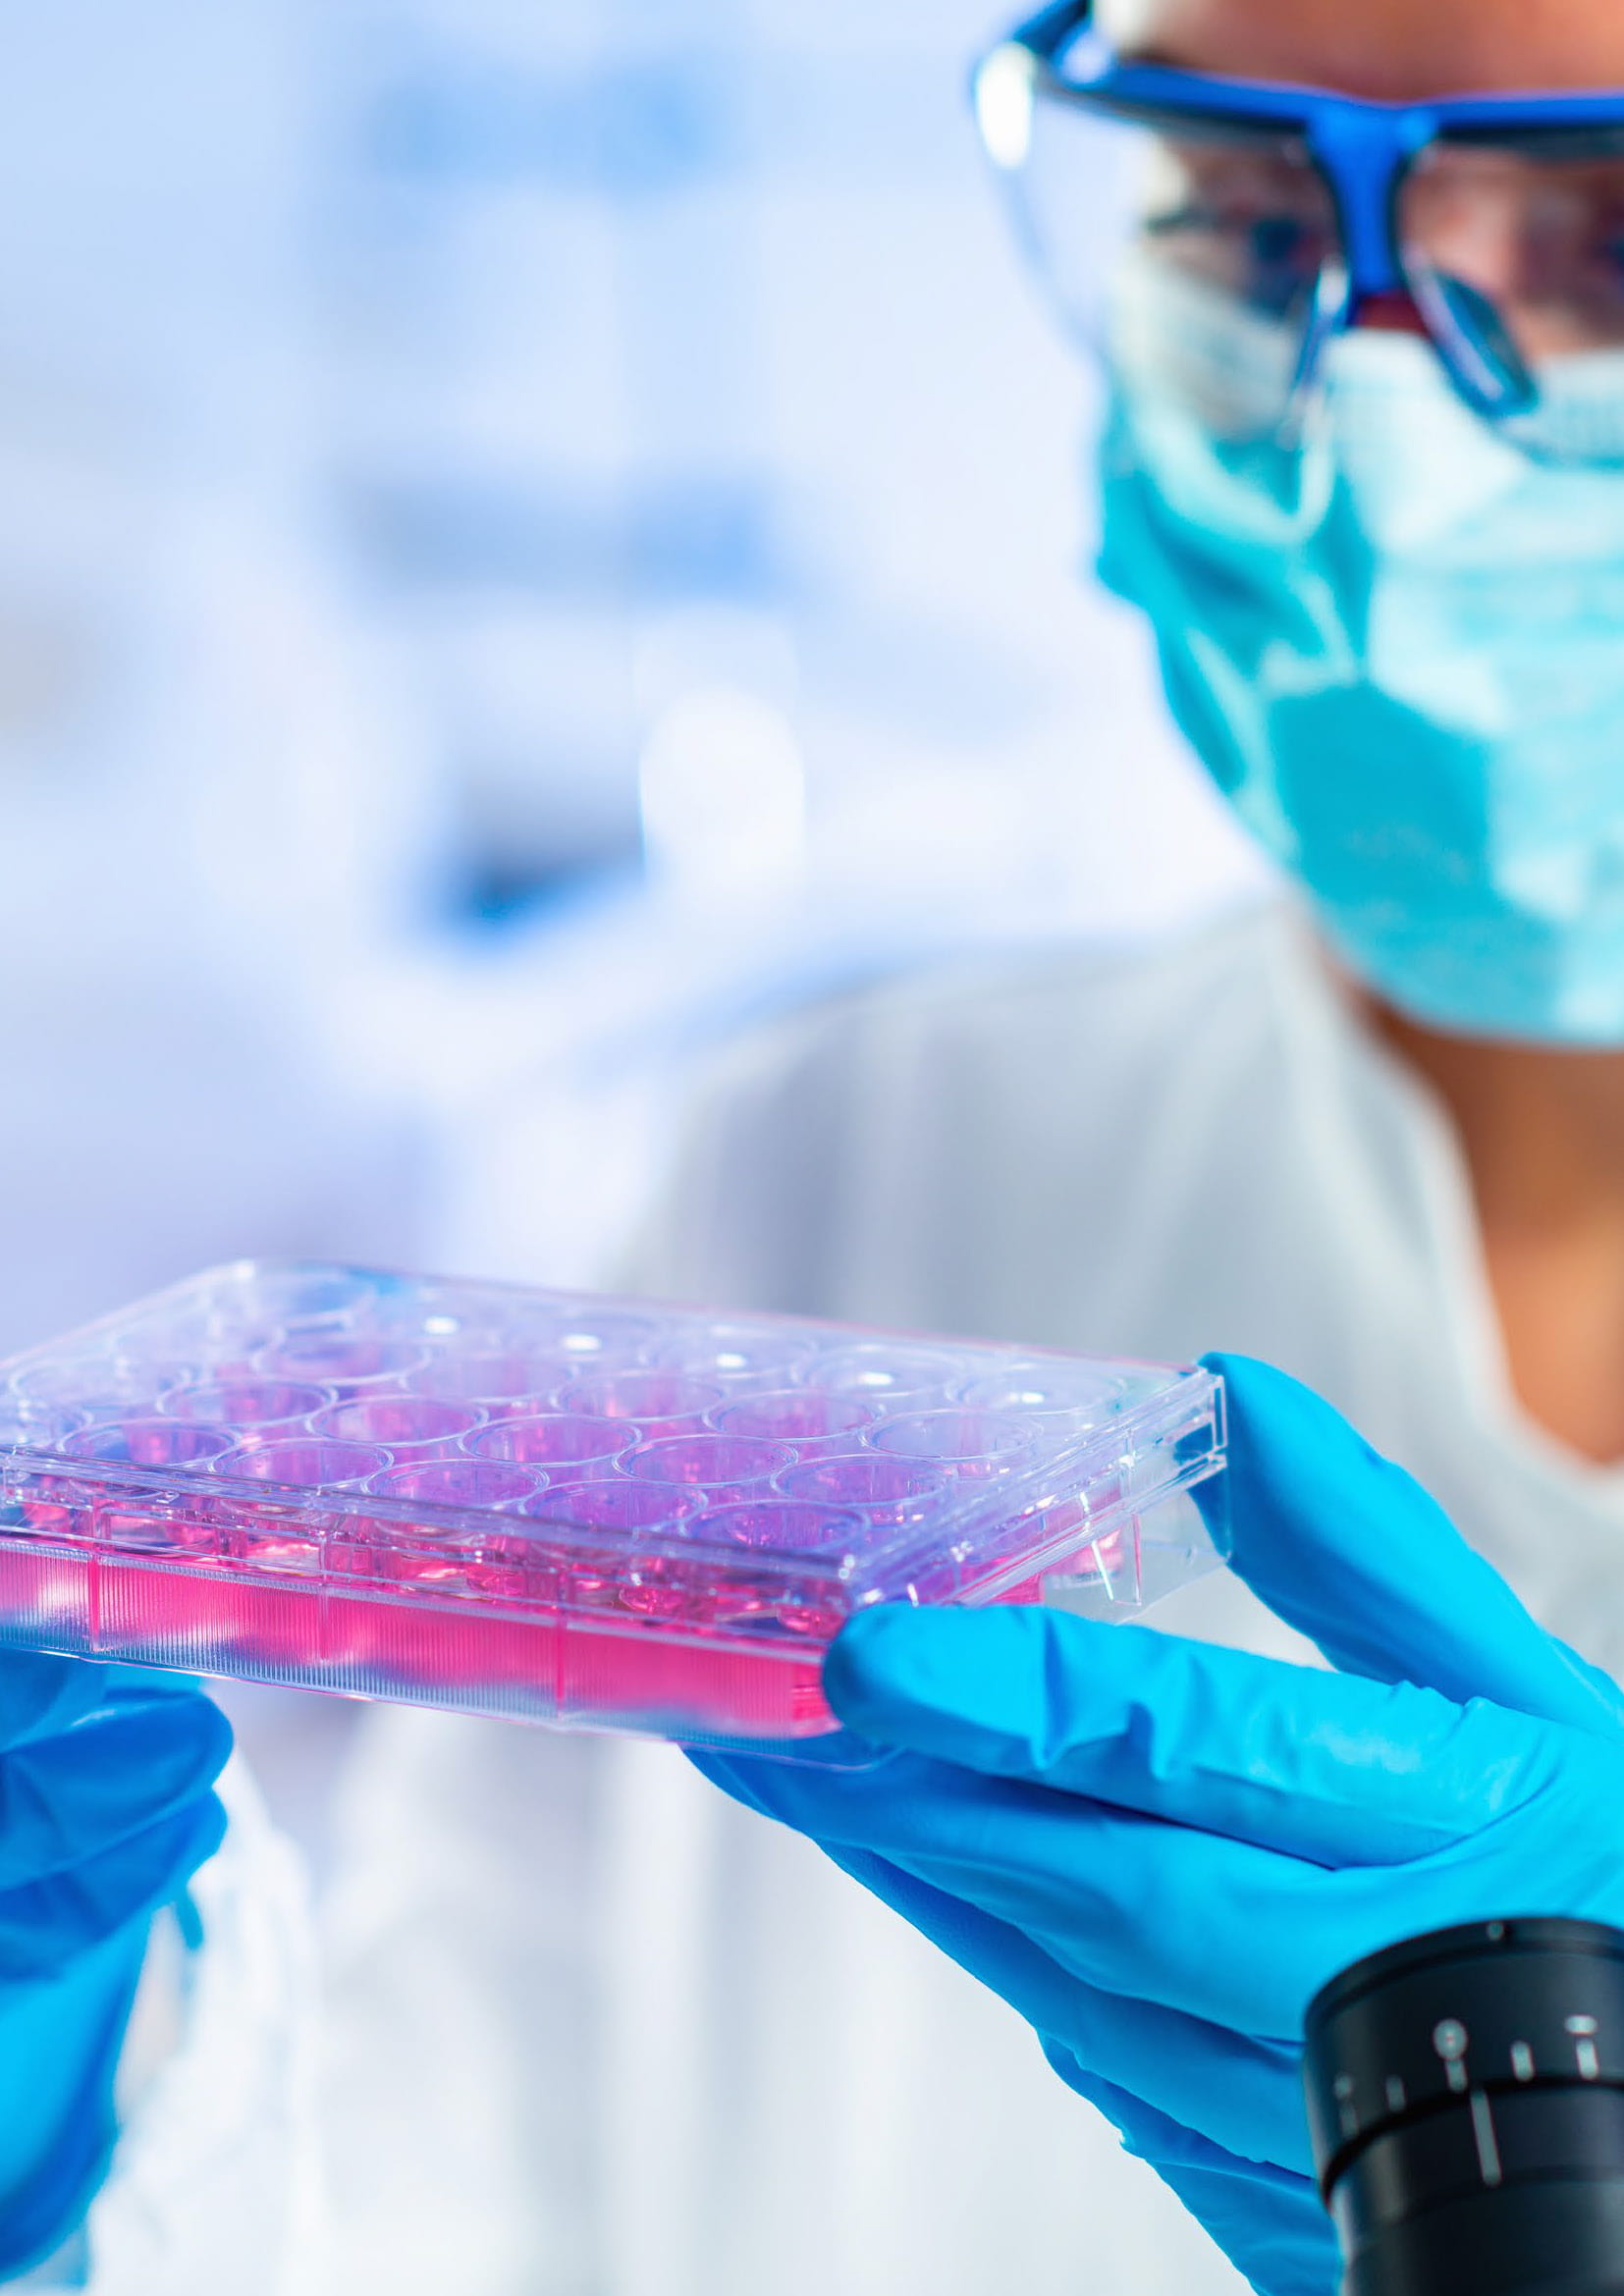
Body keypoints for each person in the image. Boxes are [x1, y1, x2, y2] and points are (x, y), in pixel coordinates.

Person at [23, 0, 1624, 2287]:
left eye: (1605, 242)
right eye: (1249, 221)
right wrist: (80, 2113)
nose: (1375, 435)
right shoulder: (848, 1159)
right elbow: (433, 2198)